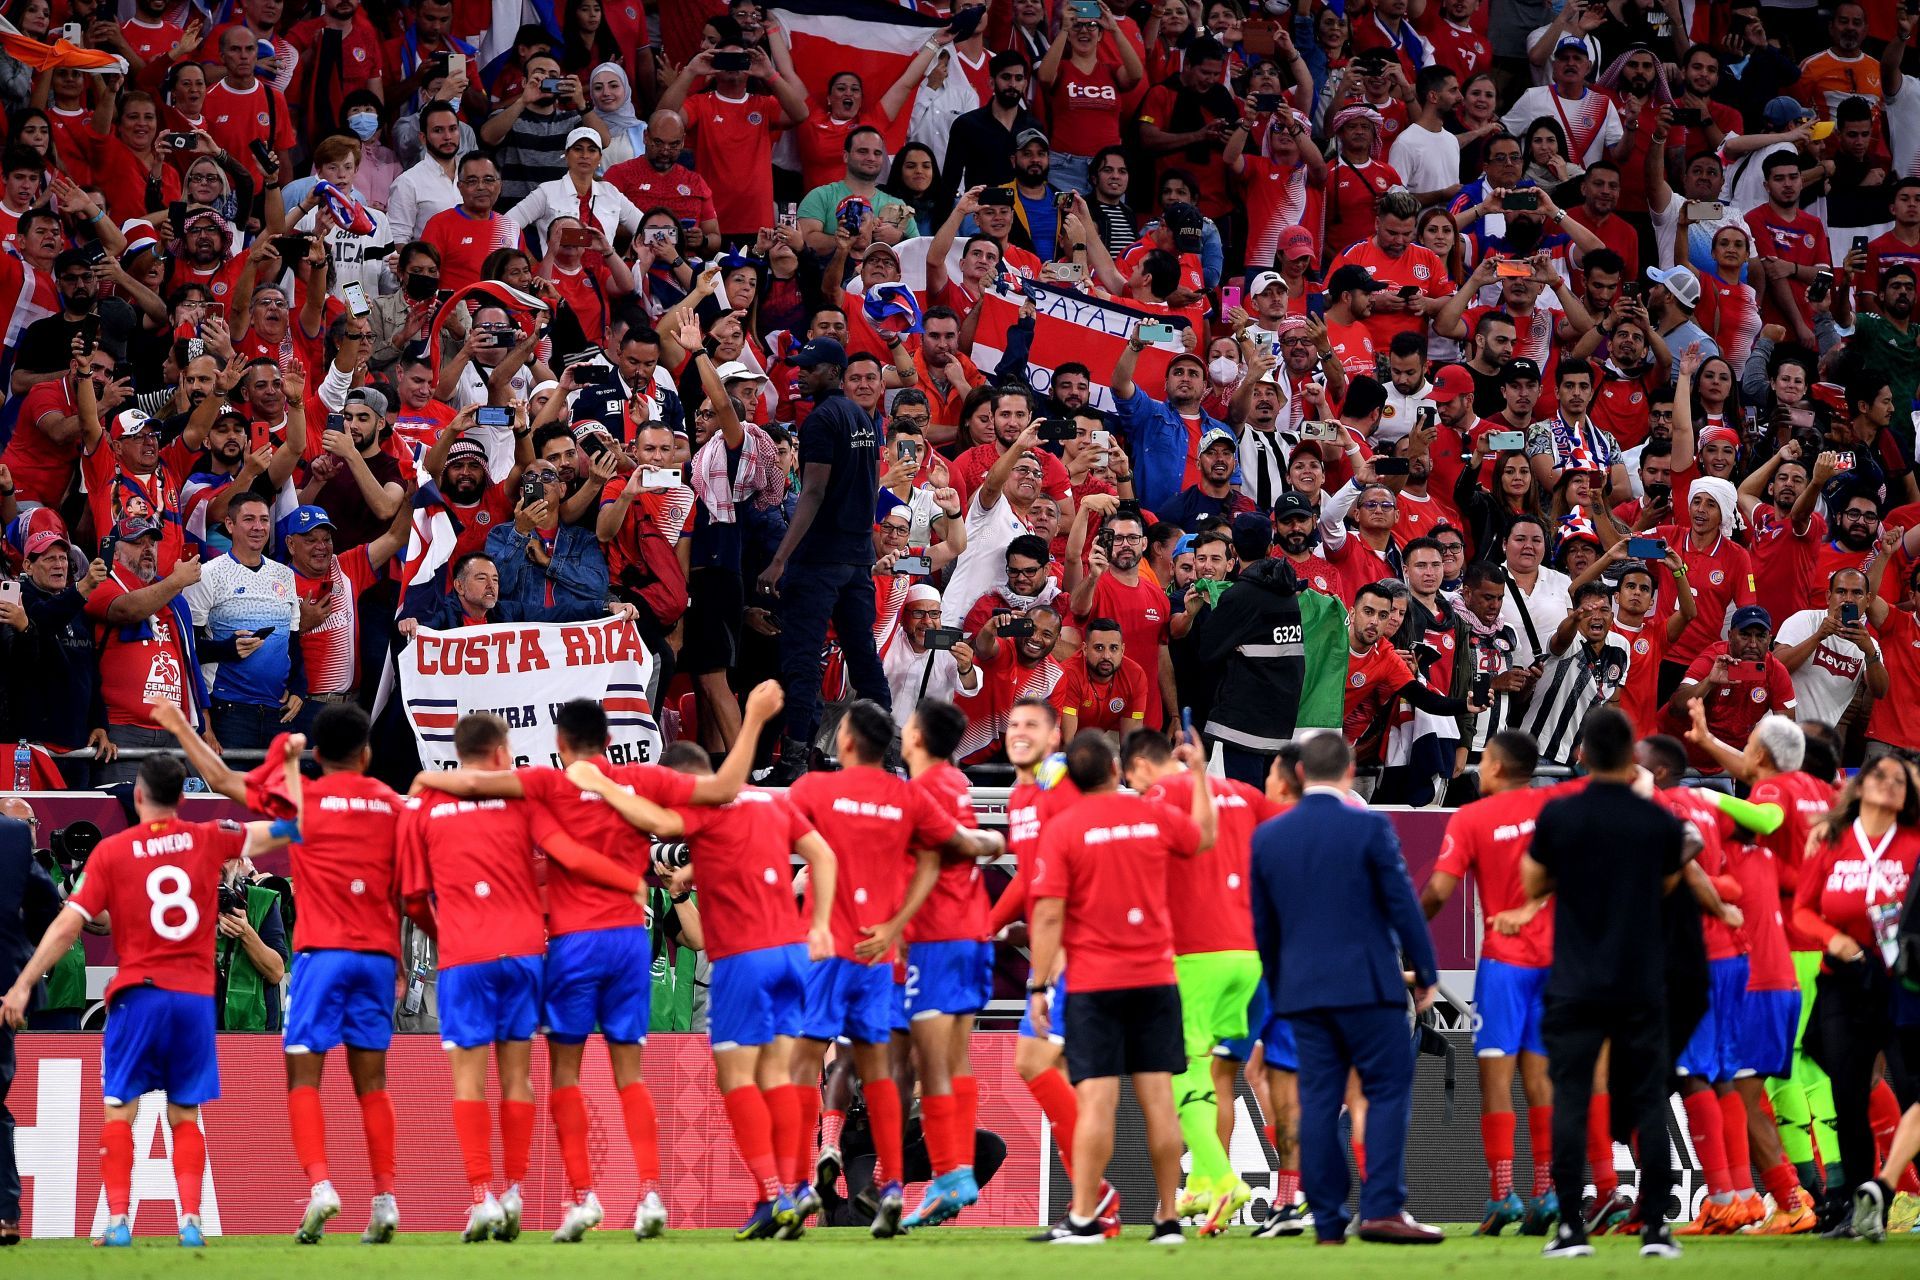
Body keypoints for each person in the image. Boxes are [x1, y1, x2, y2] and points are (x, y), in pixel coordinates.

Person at [414, 686, 780, 1240]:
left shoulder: (548, 784)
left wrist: (425, 780)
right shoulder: (643, 780)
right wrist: (751, 719)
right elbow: (727, 787)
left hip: (572, 944)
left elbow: (471, 781)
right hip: (631, 943)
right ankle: (651, 1195)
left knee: (565, 1073)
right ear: (610, 741)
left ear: (559, 744)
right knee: (629, 1074)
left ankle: (582, 1198)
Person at [0, 753, 287, 1249]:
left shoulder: (114, 851)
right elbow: (283, 830)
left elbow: (69, 923)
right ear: (182, 798)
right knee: (185, 1114)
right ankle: (191, 1221)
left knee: (120, 1112)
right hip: (195, 999)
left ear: (137, 797)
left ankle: (117, 1222)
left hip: (139, 995)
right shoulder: (208, 838)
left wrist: (24, 981)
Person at [397, 710, 658, 1242]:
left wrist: (445, 934)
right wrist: (627, 880)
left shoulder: (424, 805)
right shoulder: (523, 801)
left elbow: (411, 897)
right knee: (519, 1078)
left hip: (465, 954)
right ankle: (516, 1190)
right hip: (523, 954)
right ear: (499, 754)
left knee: (469, 1082)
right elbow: (565, 854)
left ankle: (482, 1198)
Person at [780, 700, 1003, 1236]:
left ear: (848, 742)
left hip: (850, 944)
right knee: (899, 1064)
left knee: (813, 1064)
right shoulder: (921, 793)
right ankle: (900, 1183)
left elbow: (774, 836)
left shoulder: (818, 789)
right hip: (914, 945)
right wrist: (993, 843)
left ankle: (799, 1183)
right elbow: (951, 847)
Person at [1249, 730, 1441, 1245]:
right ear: (1350, 774)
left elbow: (1263, 928)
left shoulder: (1268, 838)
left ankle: (1327, 1219)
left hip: (1302, 993)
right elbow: (1403, 905)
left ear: (1300, 775)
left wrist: (1281, 983)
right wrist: (1425, 970)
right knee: (1382, 1095)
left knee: (1316, 1101)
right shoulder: (1371, 829)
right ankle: (1381, 1210)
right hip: (1368, 986)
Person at [1027, 729, 1216, 1245]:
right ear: (1116, 769)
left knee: (1095, 1105)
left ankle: (1085, 1218)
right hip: (1155, 979)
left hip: (1093, 985)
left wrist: (1038, 986)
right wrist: (1198, 773)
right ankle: (1168, 1218)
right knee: (1159, 1100)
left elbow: (1046, 916)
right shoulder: (1152, 814)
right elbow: (1203, 836)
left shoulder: (1063, 829)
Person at [654, 729, 837, 1239]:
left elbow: (679, 825)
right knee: (779, 1075)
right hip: (793, 952)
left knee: (735, 1079)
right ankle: (790, 1191)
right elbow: (823, 855)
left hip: (742, 958)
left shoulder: (697, 807)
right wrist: (820, 924)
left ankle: (774, 1189)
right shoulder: (764, 799)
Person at [1523, 707, 1689, 1260]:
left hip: (1576, 979)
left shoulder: (1560, 816)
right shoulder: (1657, 821)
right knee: (1647, 1102)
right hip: (1641, 979)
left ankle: (1571, 1228)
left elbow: (1532, 882)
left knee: (1571, 1098)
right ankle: (1658, 1233)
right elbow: (1669, 881)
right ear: (1632, 755)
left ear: (1585, 754)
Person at [1122, 728, 1280, 1236]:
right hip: (1247, 954)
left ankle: (1220, 1177)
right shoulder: (1241, 792)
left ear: (1138, 768)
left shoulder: (1160, 798)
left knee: (1178, 1072)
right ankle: (1209, 1184)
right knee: (1213, 1074)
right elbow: (1281, 834)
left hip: (1196, 953)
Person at [1420, 729, 1558, 1235]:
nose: (1478, 767)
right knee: (1541, 1077)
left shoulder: (1472, 817)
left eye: (1484, 759)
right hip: (1555, 962)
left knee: (1495, 1080)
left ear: (1497, 766)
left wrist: (1409, 931)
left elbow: (1437, 891)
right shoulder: (1552, 806)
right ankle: (1547, 1191)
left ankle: (1503, 1196)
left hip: (1505, 964)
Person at [1791, 753, 1920, 1232]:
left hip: (1904, 982)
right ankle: (1859, 1209)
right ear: (1859, 785)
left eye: (1899, 780)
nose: (1888, 783)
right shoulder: (1830, 839)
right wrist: (1833, 939)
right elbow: (1803, 911)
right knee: (1846, 1094)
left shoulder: (1915, 841)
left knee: (1912, 1090)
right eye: (1879, 775)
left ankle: (1901, 1191)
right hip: (1845, 979)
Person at [757, 338, 888, 781]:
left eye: (809, 369)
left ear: (833, 371)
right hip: (856, 558)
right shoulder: (863, 419)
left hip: (819, 559)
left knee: (802, 659)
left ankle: (795, 761)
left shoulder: (819, 421)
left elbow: (811, 492)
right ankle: (886, 758)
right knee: (863, 658)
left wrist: (780, 560)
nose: (800, 375)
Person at [898, 699, 997, 1229]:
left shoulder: (920, 792)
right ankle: (955, 1170)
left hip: (936, 938)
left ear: (916, 736)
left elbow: (932, 860)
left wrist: (895, 929)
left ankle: (948, 1175)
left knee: (929, 1066)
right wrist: (991, 839)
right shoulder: (956, 782)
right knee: (956, 1061)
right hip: (972, 932)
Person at [0, 798, 59, 1242]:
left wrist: (26, 965)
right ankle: (4, 1213)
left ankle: (4, 1214)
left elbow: (46, 907)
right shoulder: (14, 836)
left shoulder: (12, 836)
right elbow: (46, 907)